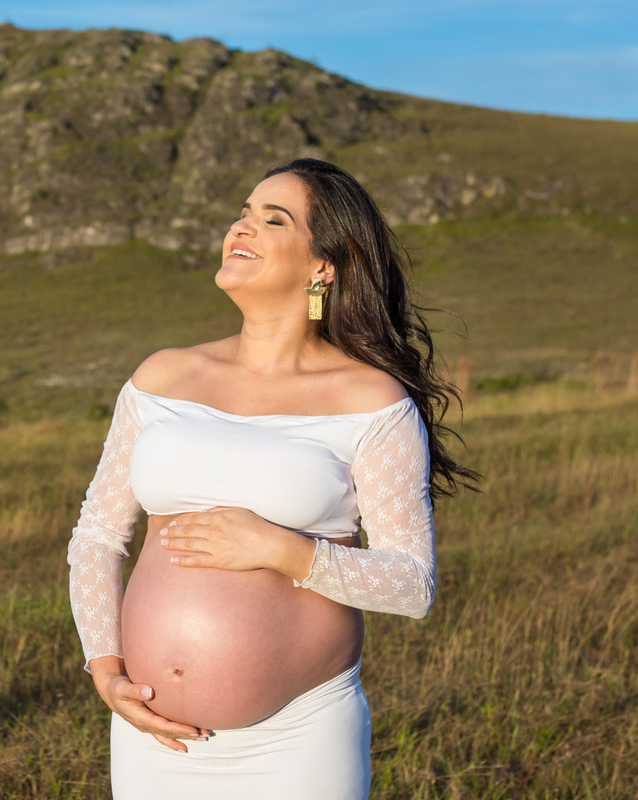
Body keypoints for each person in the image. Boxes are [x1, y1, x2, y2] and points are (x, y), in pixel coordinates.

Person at [66, 158, 477, 798]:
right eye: (244, 211)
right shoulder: (162, 377)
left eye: (273, 218)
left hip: (298, 740)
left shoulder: (369, 399)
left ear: (323, 267)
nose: (242, 226)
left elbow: (411, 585)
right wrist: (105, 669)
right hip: (154, 735)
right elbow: (97, 536)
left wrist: (281, 549)